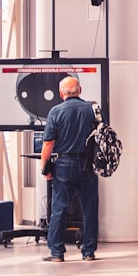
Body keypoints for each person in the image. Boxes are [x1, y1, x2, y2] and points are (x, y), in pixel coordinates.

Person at [39, 76, 98, 262]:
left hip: (64, 164)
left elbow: (49, 143)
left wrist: (45, 167)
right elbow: (103, 137)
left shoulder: (55, 111)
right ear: (79, 90)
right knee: (90, 210)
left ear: (61, 93)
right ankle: (88, 252)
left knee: (59, 210)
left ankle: (57, 252)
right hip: (88, 164)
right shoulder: (92, 109)